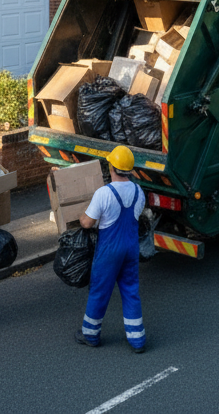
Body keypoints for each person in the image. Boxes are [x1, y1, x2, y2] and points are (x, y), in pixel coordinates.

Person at [75, 146, 147, 353]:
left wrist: (81, 215)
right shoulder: (139, 192)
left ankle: (90, 334)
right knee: (131, 291)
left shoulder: (104, 193)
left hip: (109, 250)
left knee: (100, 290)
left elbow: (87, 223)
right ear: (130, 170)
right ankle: (137, 340)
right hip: (131, 248)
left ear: (112, 168)